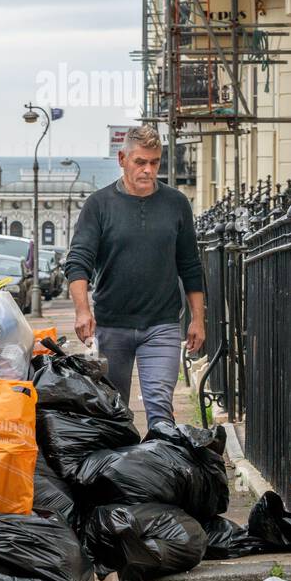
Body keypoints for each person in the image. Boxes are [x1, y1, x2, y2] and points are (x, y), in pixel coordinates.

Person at [63, 125, 204, 425]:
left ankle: (158, 470)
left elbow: (190, 265)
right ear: (122, 159)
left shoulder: (176, 204)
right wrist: (81, 311)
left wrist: (198, 318)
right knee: (114, 413)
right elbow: (78, 261)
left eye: (154, 163)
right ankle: (121, 471)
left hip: (162, 325)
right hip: (112, 326)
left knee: (159, 408)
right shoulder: (99, 205)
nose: (148, 170)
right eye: (140, 162)